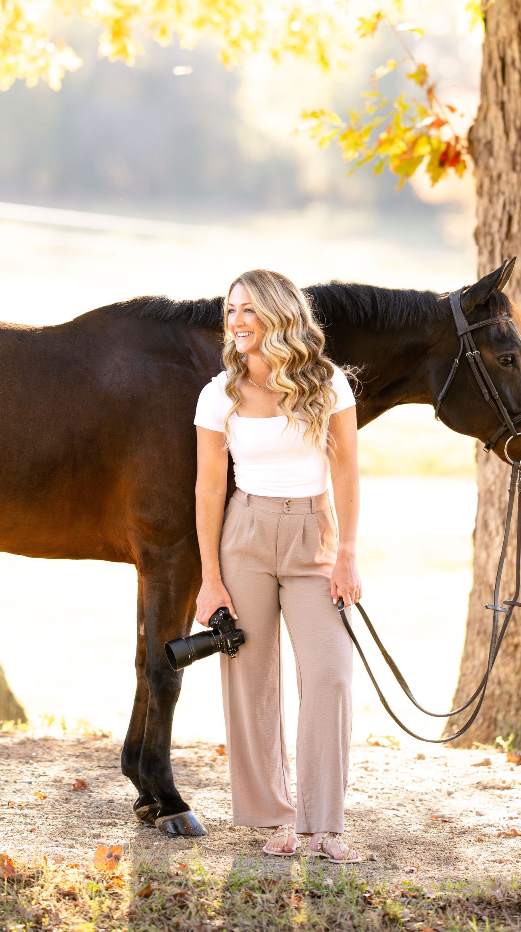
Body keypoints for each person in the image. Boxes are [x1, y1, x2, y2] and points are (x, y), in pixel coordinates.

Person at [193, 267, 362, 862]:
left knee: (330, 673)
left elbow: (346, 472)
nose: (236, 322)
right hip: (245, 535)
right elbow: (209, 489)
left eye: (249, 310)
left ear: (279, 315)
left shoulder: (328, 383)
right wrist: (210, 579)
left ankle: (325, 825)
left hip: (313, 535)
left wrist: (347, 554)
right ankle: (278, 818)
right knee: (252, 678)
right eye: (230, 310)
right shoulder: (218, 394)